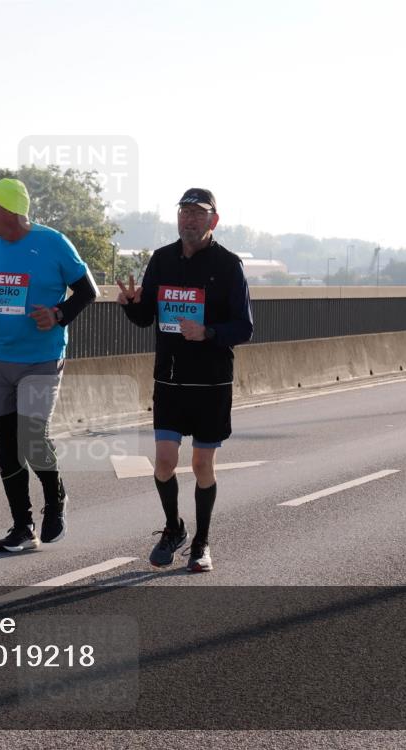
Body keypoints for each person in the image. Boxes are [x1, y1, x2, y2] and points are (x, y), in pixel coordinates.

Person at [117, 188, 253, 572]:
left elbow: (245, 327)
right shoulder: (162, 260)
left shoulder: (228, 265)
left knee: (201, 466)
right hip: (170, 379)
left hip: (211, 382)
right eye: (184, 212)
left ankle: (202, 542)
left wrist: (208, 333)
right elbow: (147, 317)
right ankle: (173, 527)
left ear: (214, 220)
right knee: (162, 462)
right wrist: (130, 305)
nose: (189, 220)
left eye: (197, 213)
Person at [0, 177, 98, 553]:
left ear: (7, 208)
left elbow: (88, 291)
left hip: (40, 358)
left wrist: (57, 314)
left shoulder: (52, 243)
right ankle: (23, 526)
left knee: (32, 438)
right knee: (7, 446)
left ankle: (55, 501)